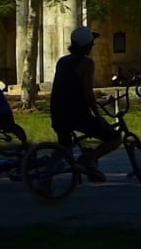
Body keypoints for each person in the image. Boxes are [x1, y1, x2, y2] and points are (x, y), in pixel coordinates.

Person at [49, 26, 120, 182]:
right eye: (91, 43)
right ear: (87, 45)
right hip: (76, 114)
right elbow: (87, 93)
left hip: (57, 113)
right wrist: (98, 115)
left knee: (65, 147)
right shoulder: (86, 63)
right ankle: (89, 160)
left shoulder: (62, 61)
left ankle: (46, 178)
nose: (93, 46)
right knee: (114, 138)